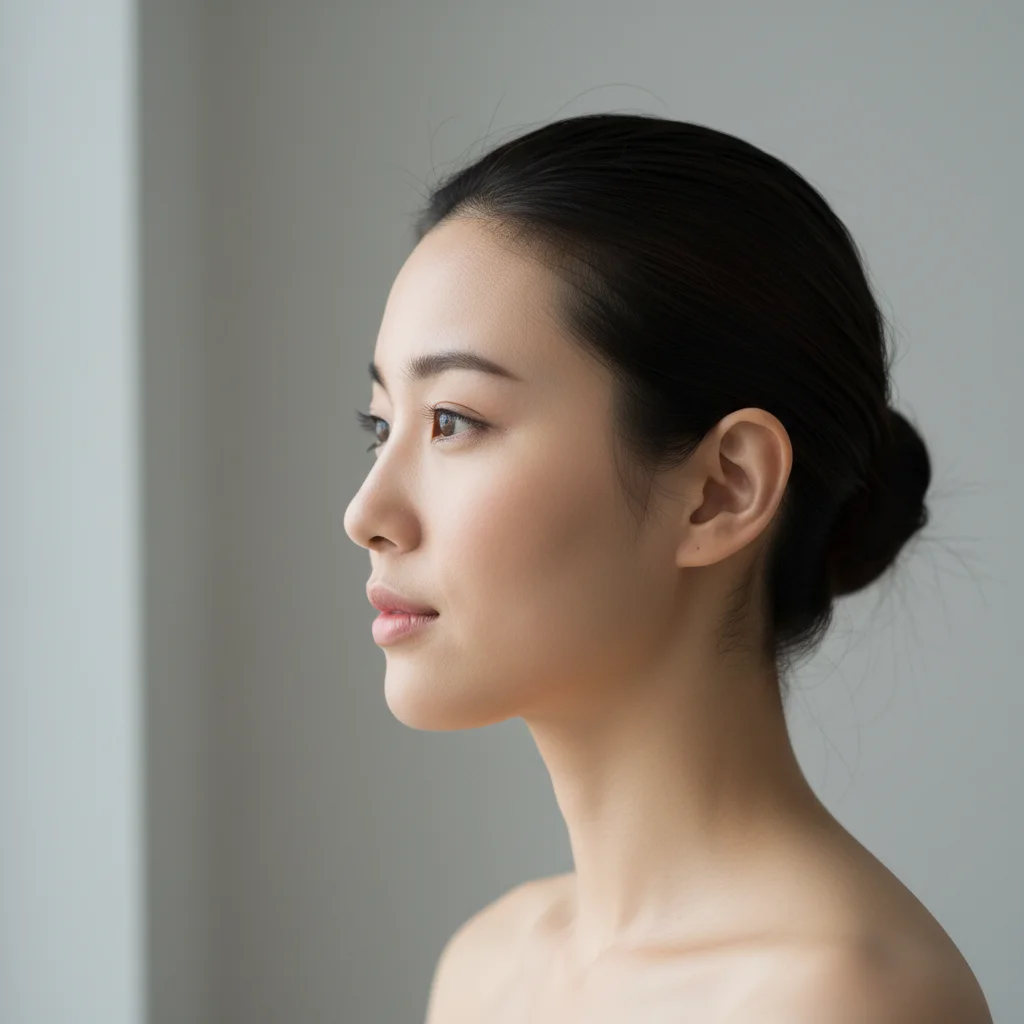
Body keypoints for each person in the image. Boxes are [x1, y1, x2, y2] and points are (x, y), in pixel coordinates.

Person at [343, 113, 992, 1022]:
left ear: (722, 489)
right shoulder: (487, 969)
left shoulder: (842, 998)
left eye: (454, 420)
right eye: (380, 428)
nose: (365, 515)